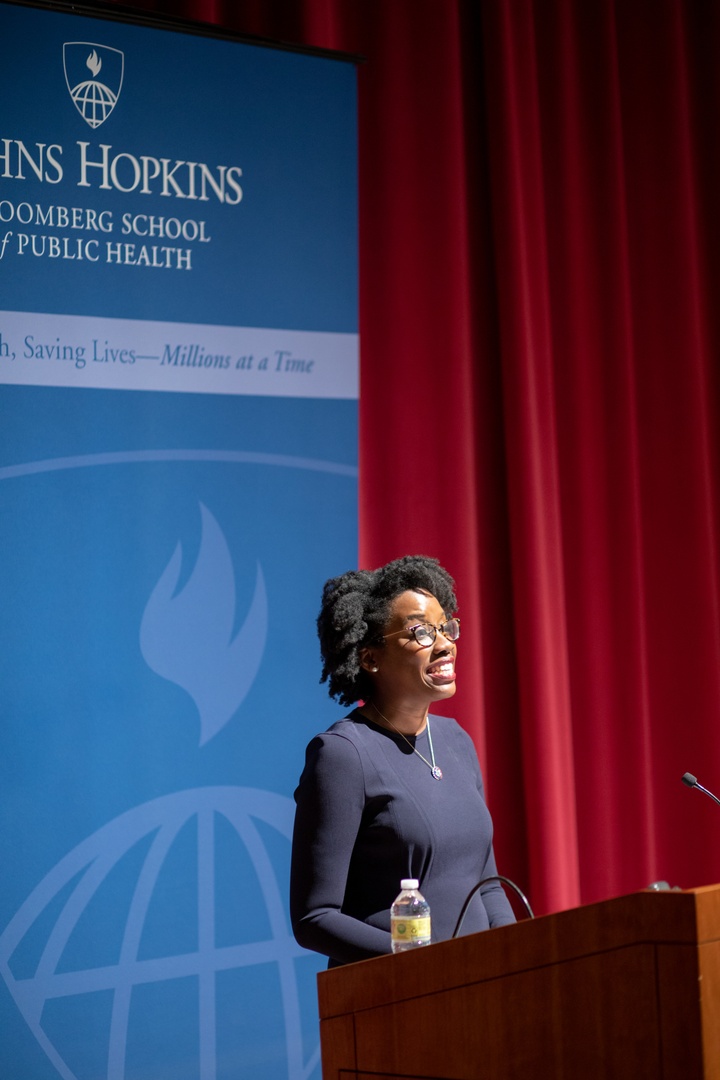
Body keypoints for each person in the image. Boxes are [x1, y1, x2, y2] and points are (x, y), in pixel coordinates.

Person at [290, 554, 515, 967]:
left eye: (446, 627)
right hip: (397, 996)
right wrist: (428, 962)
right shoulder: (342, 754)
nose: (446, 643)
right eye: (421, 633)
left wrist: (512, 955)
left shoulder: (456, 741)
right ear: (370, 658)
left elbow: (486, 885)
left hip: (480, 992)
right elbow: (315, 917)